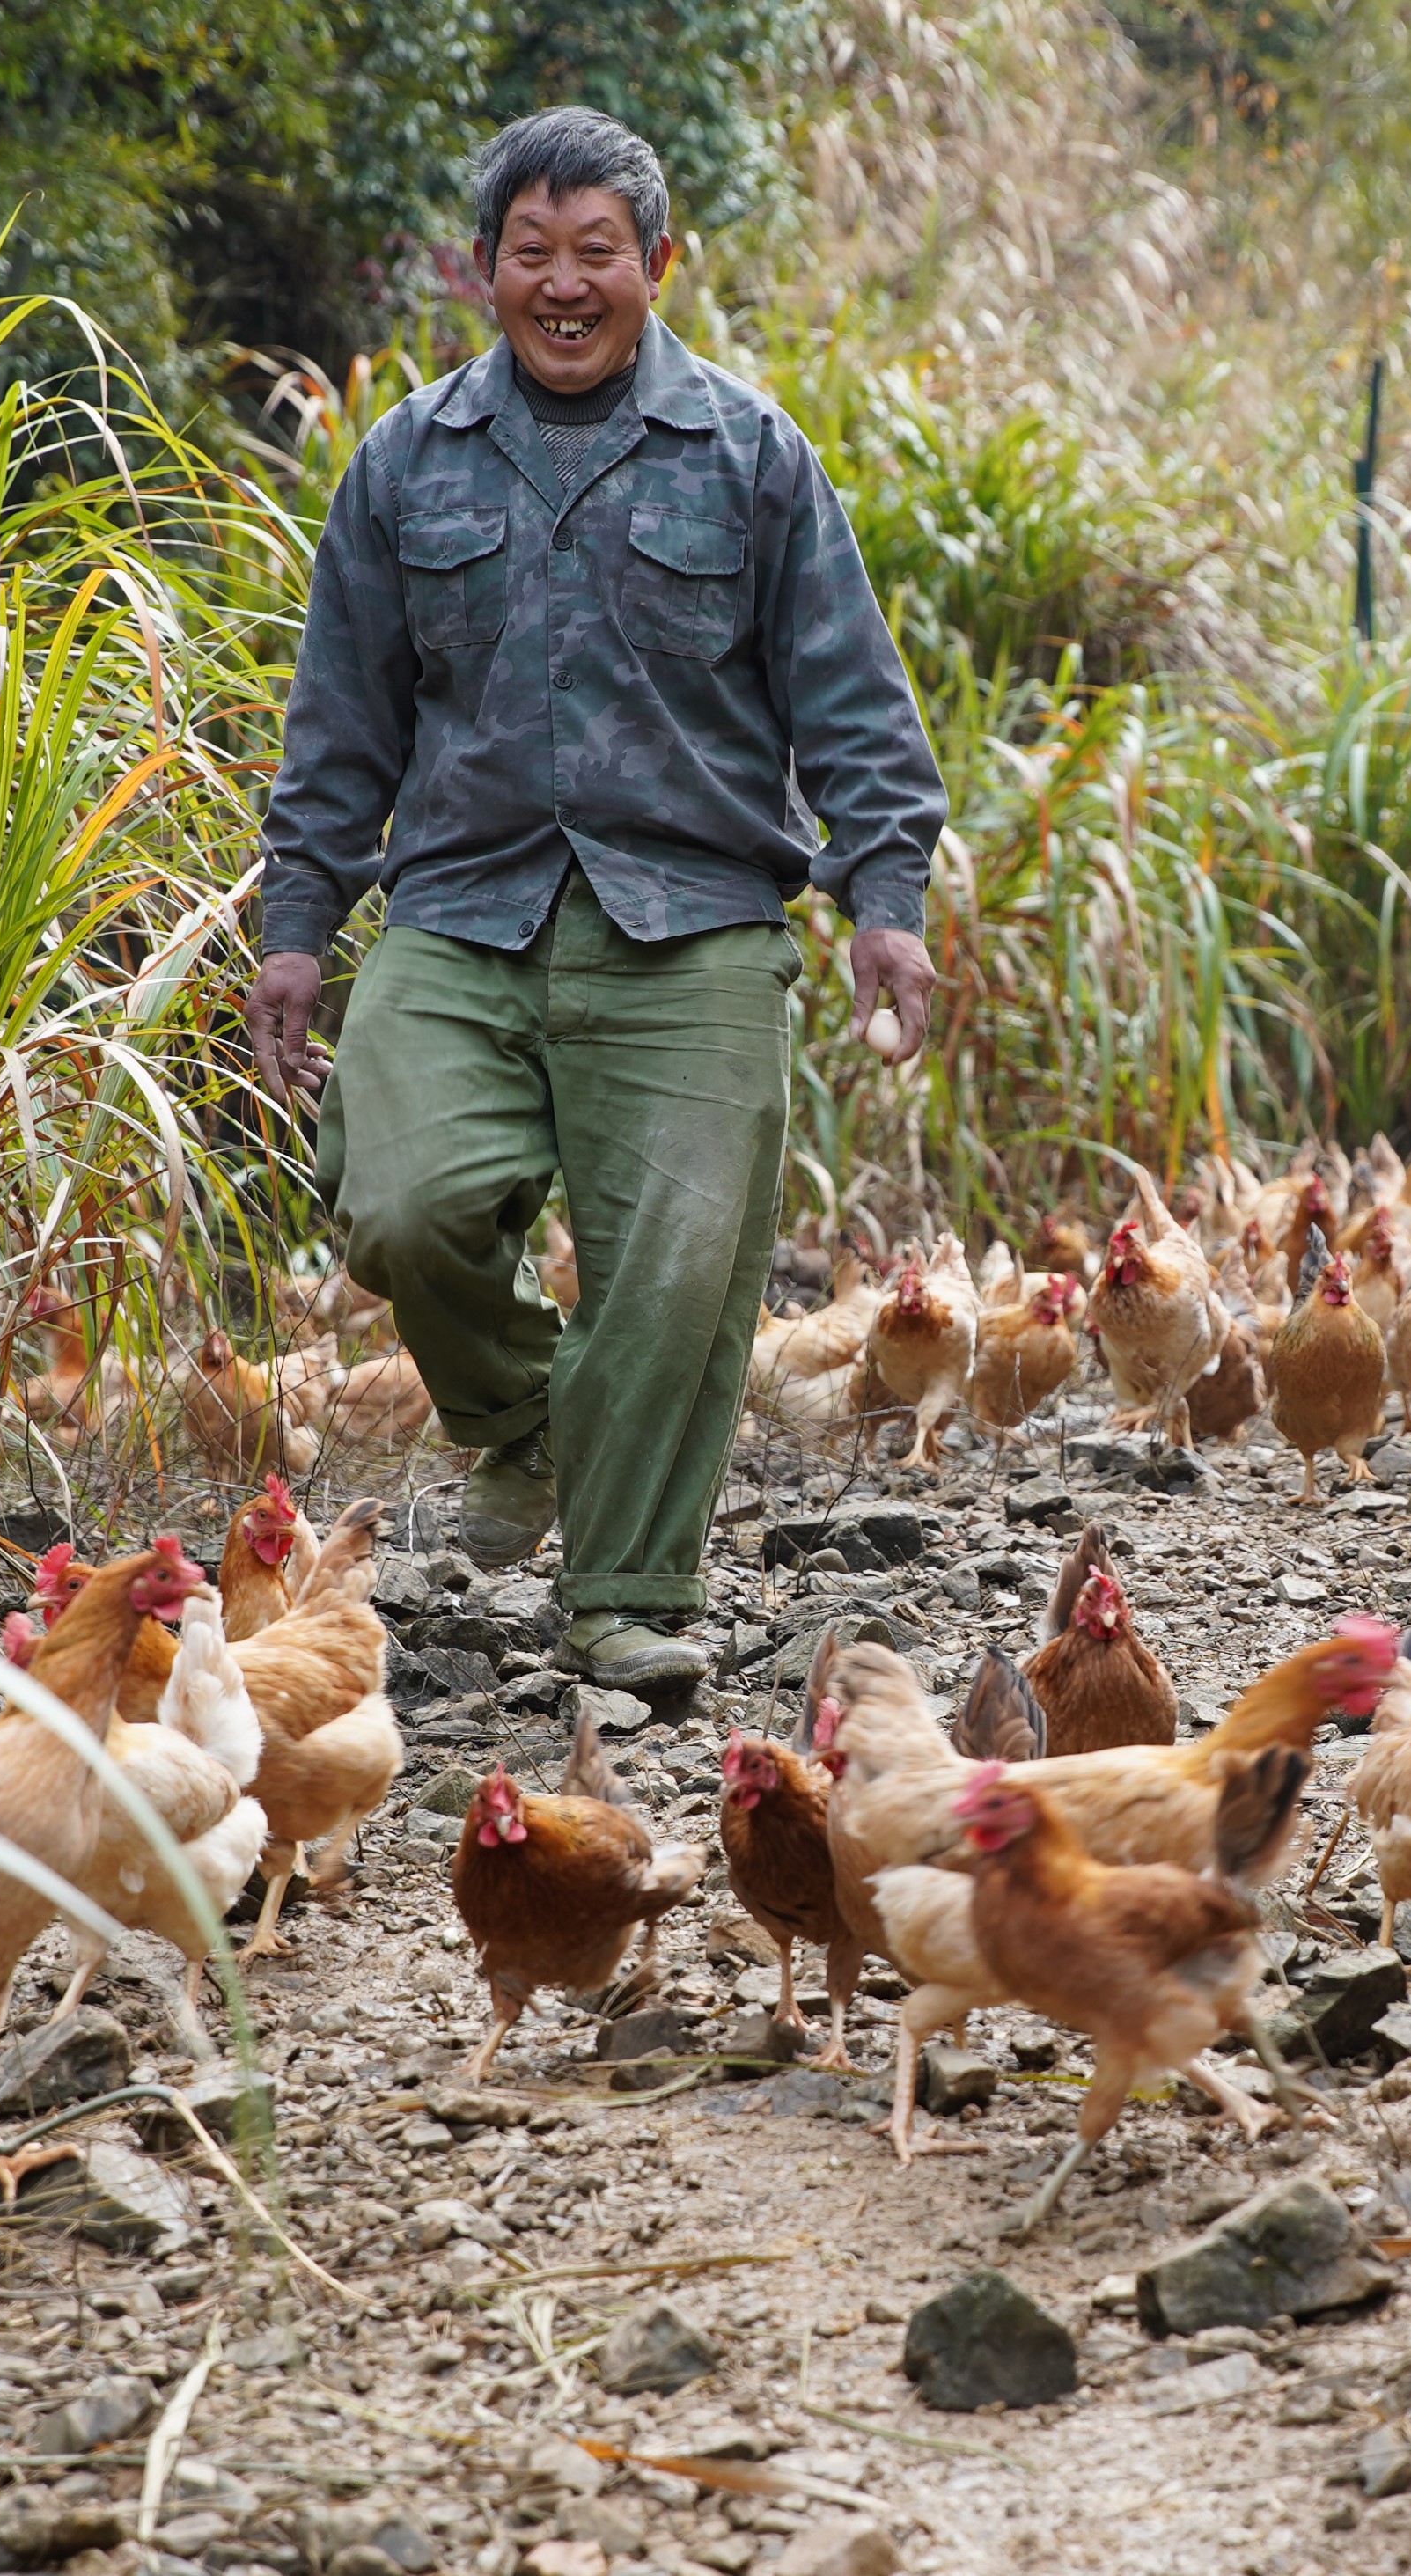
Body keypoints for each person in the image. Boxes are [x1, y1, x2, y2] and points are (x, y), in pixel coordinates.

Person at [241, 105, 944, 1689]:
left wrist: (882, 899)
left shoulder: (752, 456)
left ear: (657, 264)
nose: (566, 287)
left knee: (679, 1269)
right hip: (461, 907)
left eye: (598, 256)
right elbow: (341, 723)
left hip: (691, 918)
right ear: (479, 269)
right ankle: (526, 1422)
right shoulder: (406, 463)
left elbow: (851, 703)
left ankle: (627, 1598)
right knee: (401, 1200)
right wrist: (297, 930)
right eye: (532, 256)